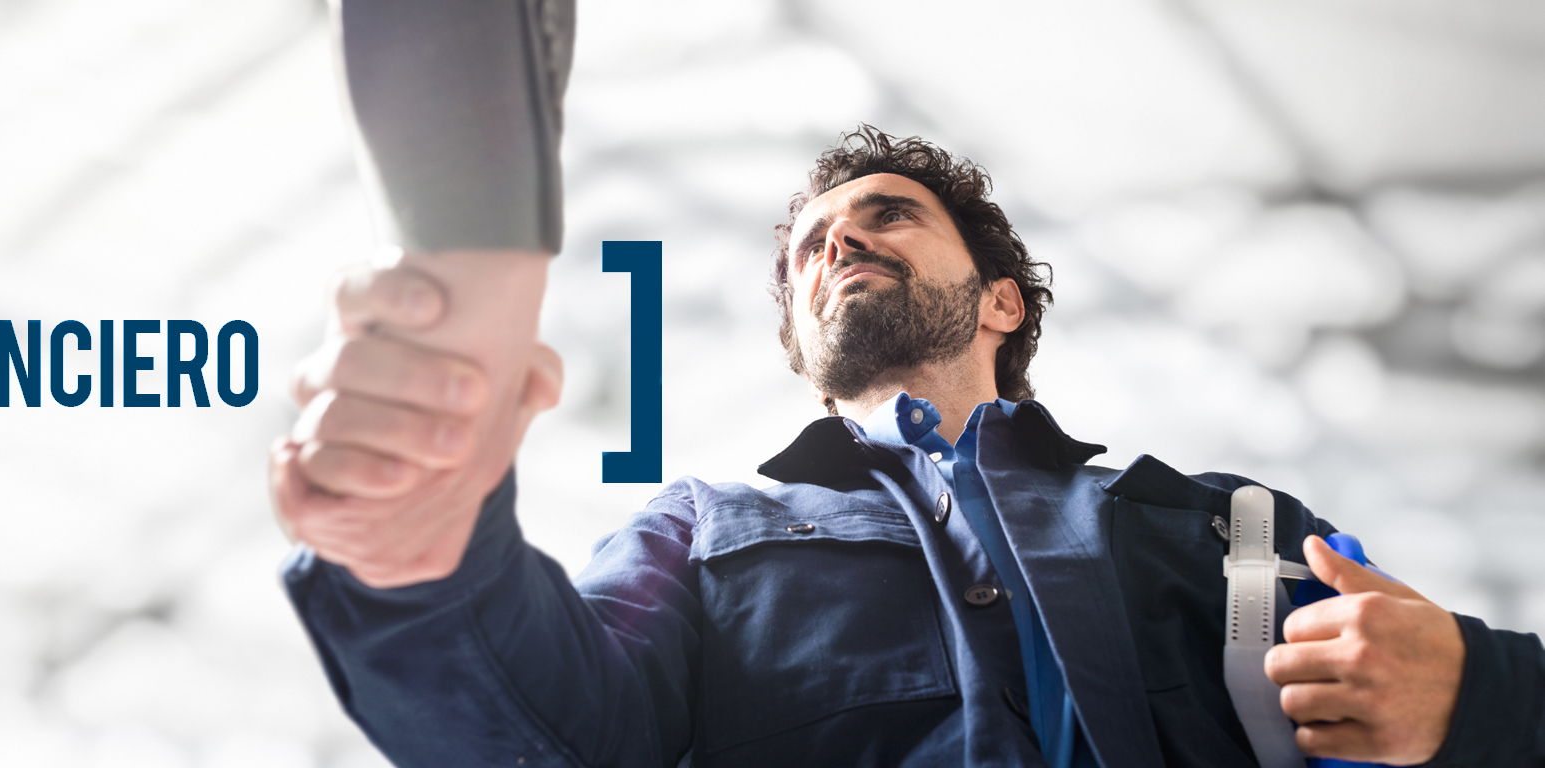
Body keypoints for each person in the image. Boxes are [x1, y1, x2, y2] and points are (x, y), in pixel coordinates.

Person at [271, 3, 1544, 766]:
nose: (838, 242)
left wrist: (1478, 695)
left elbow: (1439, 697)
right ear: (797, 342)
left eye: (886, 214)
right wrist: (416, 554)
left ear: (1003, 300)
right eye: (812, 246)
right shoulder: (695, 537)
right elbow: (549, 734)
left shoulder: (1228, 528)